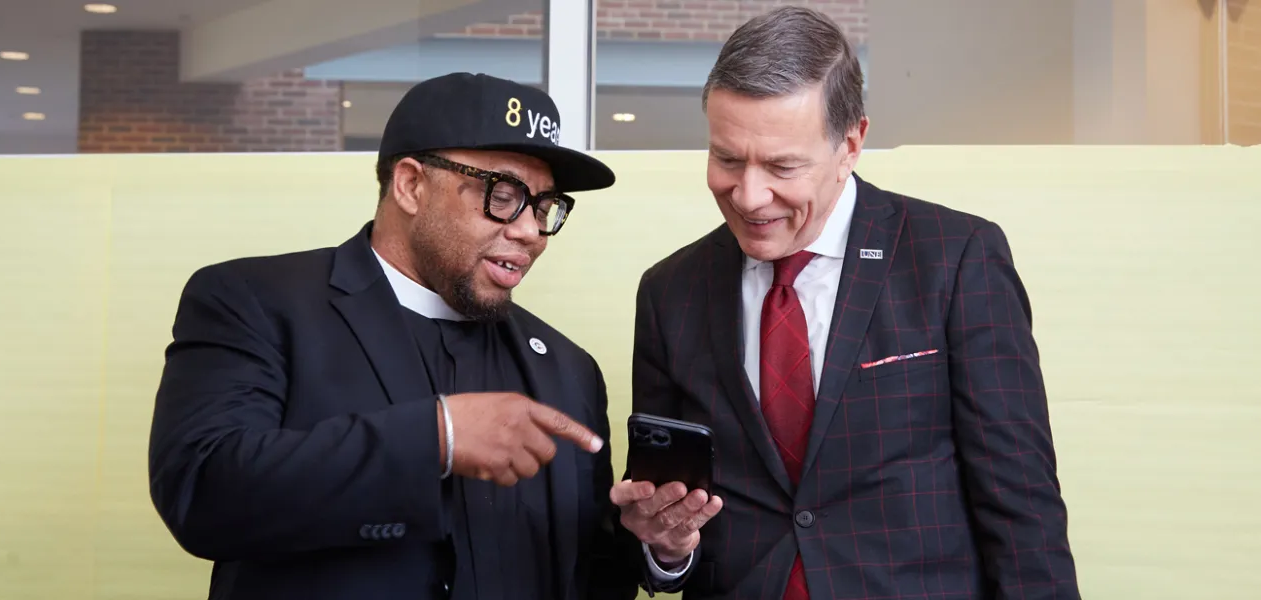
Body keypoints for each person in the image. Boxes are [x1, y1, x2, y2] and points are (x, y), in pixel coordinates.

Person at [610, 7, 1080, 599]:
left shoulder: (956, 259)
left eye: (783, 165)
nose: (749, 196)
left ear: (851, 144)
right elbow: (665, 516)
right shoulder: (669, 291)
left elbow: (1022, 507)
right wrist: (663, 547)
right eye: (727, 159)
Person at [147, 72, 637, 600]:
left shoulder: (568, 369)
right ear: (410, 185)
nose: (530, 232)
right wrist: (438, 438)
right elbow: (202, 493)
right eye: (504, 194)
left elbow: (590, 570)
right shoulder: (254, 302)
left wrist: (656, 549)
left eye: (544, 206)